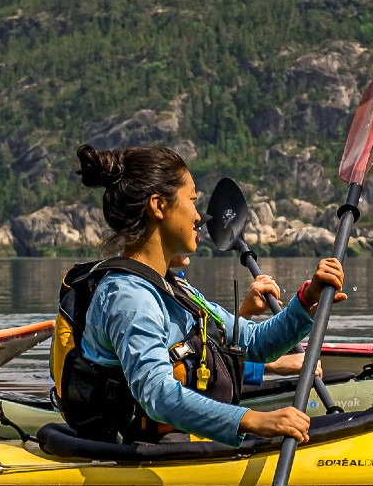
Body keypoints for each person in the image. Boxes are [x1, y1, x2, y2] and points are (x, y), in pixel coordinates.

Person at [57, 144, 344, 447]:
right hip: (137, 452)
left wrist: (308, 300)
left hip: (176, 443)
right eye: (192, 201)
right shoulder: (128, 297)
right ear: (159, 205)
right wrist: (254, 420)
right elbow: (156, 394)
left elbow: (255, 342)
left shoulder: (174, 289)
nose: (199, 216)